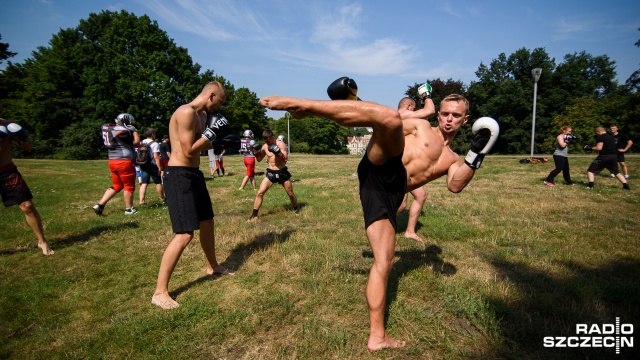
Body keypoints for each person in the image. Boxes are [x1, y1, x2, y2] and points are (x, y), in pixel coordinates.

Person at [260, 78, 498, 351]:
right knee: (389, 117)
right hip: (382, 165)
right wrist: (357, 107)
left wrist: (476, 154)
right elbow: (379, 122)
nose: (448, 119)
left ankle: (377, 338)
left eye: (456, 115)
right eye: (445, 113)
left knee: (384, 262)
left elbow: (456, 185)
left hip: (386, 194)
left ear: (465, 120)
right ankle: (303, 106)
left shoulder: (454, 160)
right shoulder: (420, 126)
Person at [152, 81, 234, 310]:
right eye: (220, 102)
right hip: (179, 176)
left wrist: (218, 141)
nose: (220, 107)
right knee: (185, 234)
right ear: (211, 95)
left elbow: (199, 147)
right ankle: (159, 292)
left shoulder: (200, 117)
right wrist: (212, 131)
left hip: (194, 173)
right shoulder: (186, 112)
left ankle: (212, 266)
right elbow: (188, 150)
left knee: (207, 221)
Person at [0, 103, 54, 255]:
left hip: (7, 171)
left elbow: (27, 148)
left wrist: (23, 135)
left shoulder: (8, 125)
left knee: (27, 205)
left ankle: (42, 241)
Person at [396, 85, 436, 243]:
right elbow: (430, 111)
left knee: (420, 195)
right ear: (408, 107)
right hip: (399, 166)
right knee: (400, 205)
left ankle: (410, 231)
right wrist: (426, 95)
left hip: (406, 165)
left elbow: (424, 120)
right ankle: (379, 227)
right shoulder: (403, 114)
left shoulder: (405, 118)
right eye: (414, 109)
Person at [92, 113, 140, 216]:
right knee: (129, 185)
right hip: (124, 162)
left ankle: (100, 205)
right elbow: (137, 143)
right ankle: (129, 209)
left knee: (117, 185)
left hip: (113, 161)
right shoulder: (121, 131)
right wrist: (135, 131)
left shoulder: (110, 128)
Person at [247, 129, 298, 221]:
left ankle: (296, 209)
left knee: (290, 193)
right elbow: (259, 159)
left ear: (273, 138)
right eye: (265, 141)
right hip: (271, 172)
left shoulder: (281, 144)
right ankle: (254, 215)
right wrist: (254, 151)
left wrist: (278, 152)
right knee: (260, 192)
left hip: (282, 171)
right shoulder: (265, 146)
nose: (267, 142)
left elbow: (285, 159)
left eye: (269, 140)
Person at [138, 128, 165, 205]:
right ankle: (162, 198)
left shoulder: (141, 142)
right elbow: (156, 157)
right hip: (152, 165)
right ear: (152, 134)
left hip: (143, 164)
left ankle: (141, 201)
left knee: (144, 183)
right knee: (158, 182)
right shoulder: (155, 144)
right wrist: (159, 168)